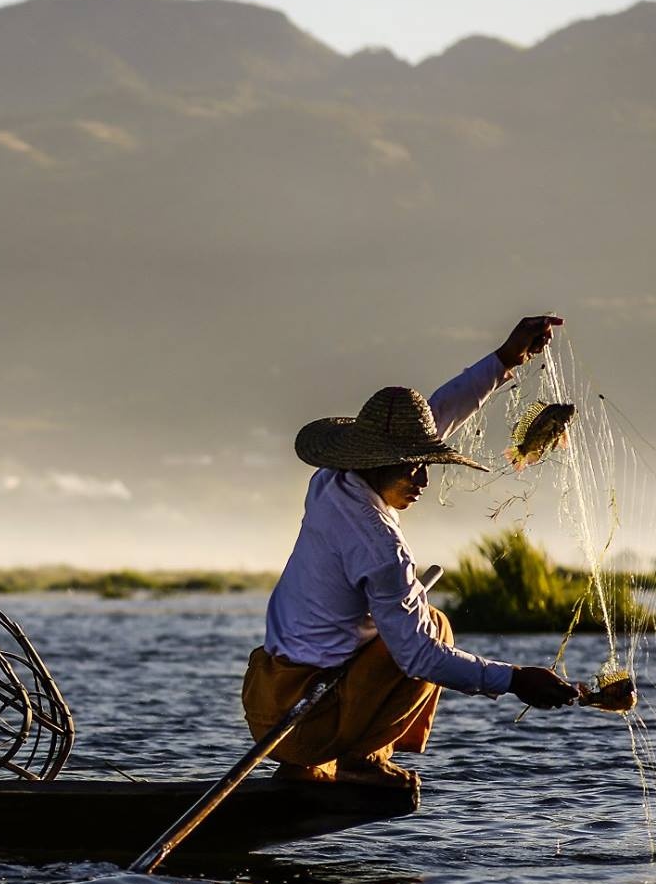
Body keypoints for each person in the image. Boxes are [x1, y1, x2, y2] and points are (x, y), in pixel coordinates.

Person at [245, 314, 583, 788]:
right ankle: (359, 760)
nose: (424, 480)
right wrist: (514, 679)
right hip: (303, 716)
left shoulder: (331, 481)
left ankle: (310, 763)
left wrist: (507, 358)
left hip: (268, 699)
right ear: (378, 463)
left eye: (425, 463)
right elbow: (420, 658)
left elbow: (442, 410)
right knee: (433, 631)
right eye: (412, 469)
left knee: (409, 628)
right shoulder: (379, 545)